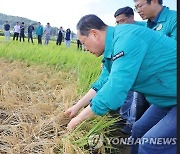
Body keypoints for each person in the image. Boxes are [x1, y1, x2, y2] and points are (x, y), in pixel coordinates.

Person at [65, 14, 176, 154]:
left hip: (173, 95)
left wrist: (80, 118)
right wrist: (77, 107)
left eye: (84, 43)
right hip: (167, 98)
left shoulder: (126, 40)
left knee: (151, 145)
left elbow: (115, 89)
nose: (85, 48)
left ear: (94, 34)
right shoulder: (113, 47)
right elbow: (103, 82)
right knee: (138, 129)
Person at [133, 0, 177, 121]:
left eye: (140, 6)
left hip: (169, 88)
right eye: (135, 8)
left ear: (154, 2)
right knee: (140, 125)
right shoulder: (148, 26)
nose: (138, 11)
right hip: (151, 83)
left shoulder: (174, 19)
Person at [113, 6, 146, 134]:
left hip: (142, 68)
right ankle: (123, 116)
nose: (119, 24)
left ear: (131, 18)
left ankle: (131, 122)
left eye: (122, 21)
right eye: (117, 22)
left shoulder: (145, 28)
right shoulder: (118, 31)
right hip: (126, 67)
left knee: (136, 97)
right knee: (126, 93)